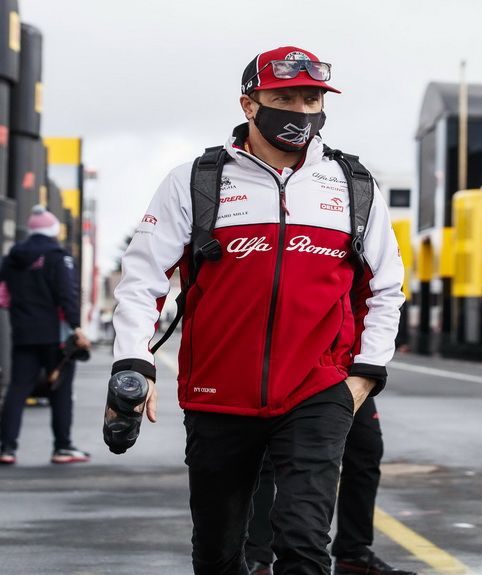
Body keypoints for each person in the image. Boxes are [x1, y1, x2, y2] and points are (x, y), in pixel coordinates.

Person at [111, 46, 404, 575]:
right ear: (250, 104)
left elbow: (386, 287)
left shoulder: (354, 186)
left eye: (311, 98)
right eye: (283, 97)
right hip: (217, 393)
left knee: (304, 545)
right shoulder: (195, 181)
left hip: (318, 393)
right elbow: (141, 281)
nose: (300, 110)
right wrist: (134, 362)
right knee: (220, 554)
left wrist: (363, 376)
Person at [245, 397, 417, 575]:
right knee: (265, 455)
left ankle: (353, 554)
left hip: (348, 374)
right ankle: (257, 557)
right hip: (287, 374)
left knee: (366, 447)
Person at [0, 206, 91, 465]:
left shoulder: (11, 258)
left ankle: (6, 447)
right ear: (53, 231)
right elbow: (67, 294)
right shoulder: (58, 256)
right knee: (60, 389)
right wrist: (76, 326)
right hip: (56, 335)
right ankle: (62, 447)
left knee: (17, 389)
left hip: (22, 332)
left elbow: (3, 294)